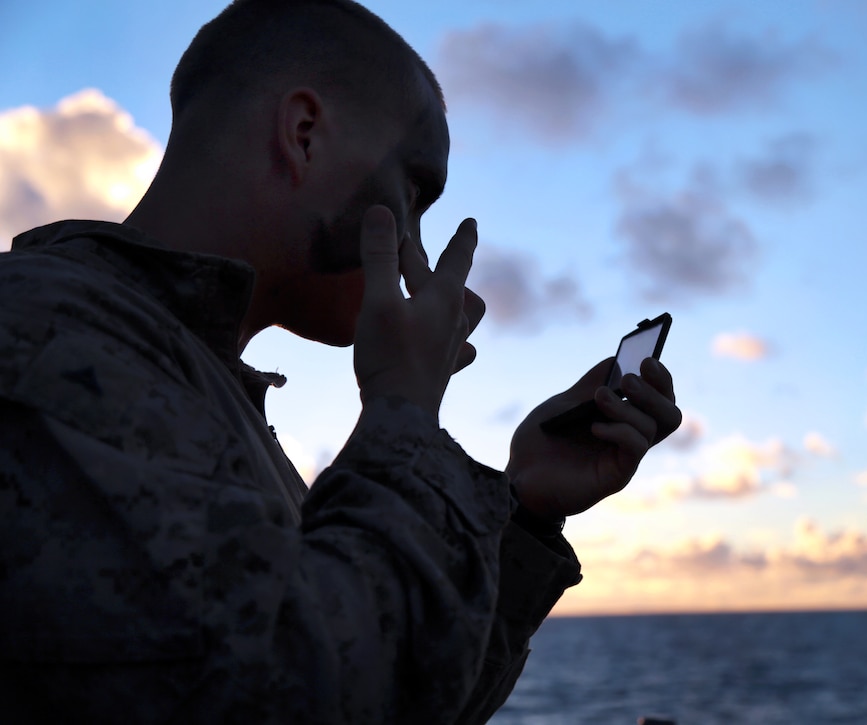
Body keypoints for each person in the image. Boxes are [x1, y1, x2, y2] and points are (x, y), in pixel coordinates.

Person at [0, 0, 682, 722]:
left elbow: (394, 692)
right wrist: (403, 411)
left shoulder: (175, 371)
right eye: (414, 193)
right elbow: (292, 694)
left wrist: (526, 511)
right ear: (304, 135)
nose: (419, 247)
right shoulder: (46, 338)